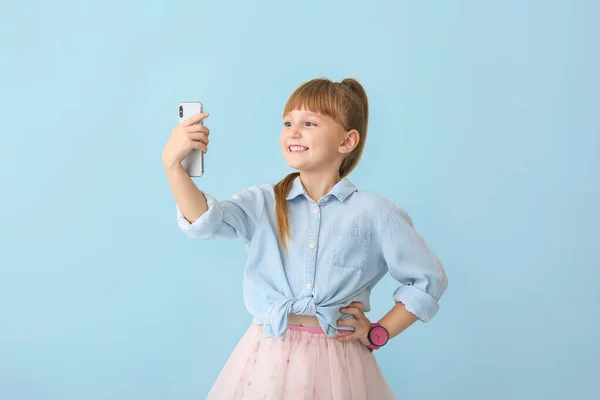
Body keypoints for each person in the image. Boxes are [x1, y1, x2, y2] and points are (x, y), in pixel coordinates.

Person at [162, 77, 448, 399]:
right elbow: (204, 221)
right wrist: (175, 167)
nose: (293, 132)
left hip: (338, 364)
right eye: (288, 122)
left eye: (309, 122)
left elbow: (428, 280)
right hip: (265, 358)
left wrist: (377, 333)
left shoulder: (376, 213)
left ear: (347, 141)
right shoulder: (263, 202)